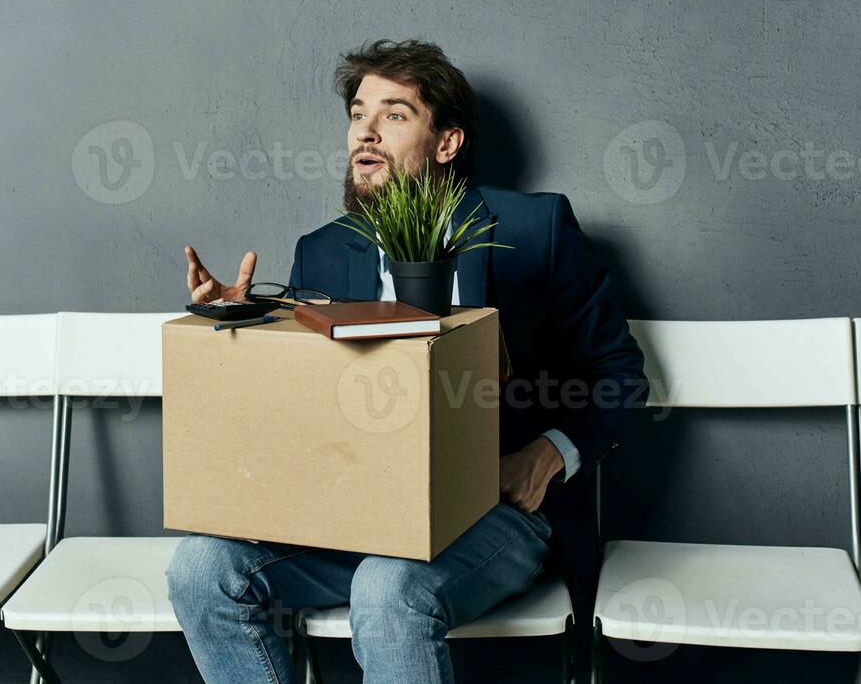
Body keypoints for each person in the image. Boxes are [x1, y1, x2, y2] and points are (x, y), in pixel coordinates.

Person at [166, 39, 649, 684]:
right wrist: (243, 325)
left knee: (389, 589)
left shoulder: (536, 229)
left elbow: (620, 377)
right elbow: (306, 404)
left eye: (394, 115)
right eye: (358, 113)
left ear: (446, 143)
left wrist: (547, 455)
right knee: (199, 570)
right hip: (357, 517)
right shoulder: (323, 253)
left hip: (496, 514)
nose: (365, 132)